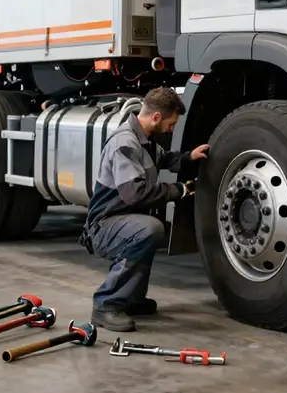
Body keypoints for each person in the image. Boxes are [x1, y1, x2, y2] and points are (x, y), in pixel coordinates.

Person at [83, 86, 210, 332]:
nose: (171, 129)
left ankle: (131, 298)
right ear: (156, 117)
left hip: (122, 220)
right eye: (171, 124)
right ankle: (106, 304)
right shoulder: (125, 143)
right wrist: (179, 190)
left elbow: (165, 159)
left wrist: (189, 157)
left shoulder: (145, 139)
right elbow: (135, 193)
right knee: (148, 229)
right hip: (103, 225)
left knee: (147, 230)